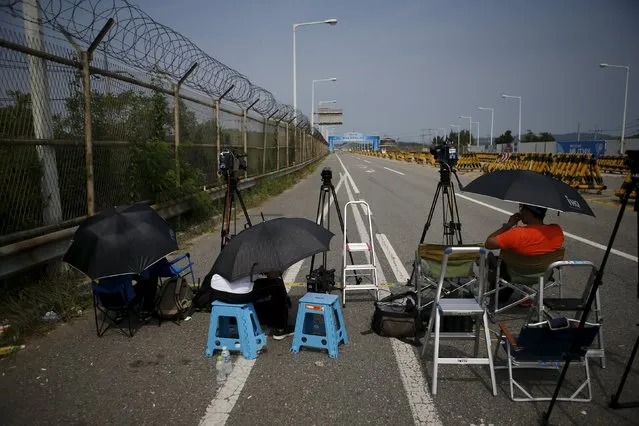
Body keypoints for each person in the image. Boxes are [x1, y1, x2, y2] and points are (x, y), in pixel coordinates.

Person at [484, 204, 565, 304]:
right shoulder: (556, 230)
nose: (520, 211)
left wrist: (509, 225)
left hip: (514, 273)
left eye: (522, 208)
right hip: (544, 274)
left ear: (529, 212)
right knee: (534, 257)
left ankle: (497, 294)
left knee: (492, 259)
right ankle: (527, 295)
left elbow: (488, 243)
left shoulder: (517, 233)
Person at [204, 270, 294, 340]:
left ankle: (233, 321)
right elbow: (272, 275)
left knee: (253, 283)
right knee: (277, 285)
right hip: (239, 294)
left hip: (217, 291)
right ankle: (280, 328)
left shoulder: (230, 251)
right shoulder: (257, 253)